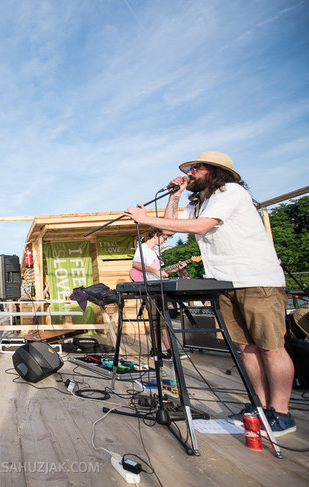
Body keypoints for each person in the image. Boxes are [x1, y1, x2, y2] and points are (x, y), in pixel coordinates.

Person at [123, 151, 295, 436]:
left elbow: (201, 227)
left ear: (215, 172)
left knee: (270, 347)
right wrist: (175, 196)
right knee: (245, 348)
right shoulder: (198, 202)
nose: (190, 172)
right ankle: (260, 406)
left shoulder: (230, 192)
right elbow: (170, 225)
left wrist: (143, 217)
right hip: (225, 282)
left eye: (196, 168)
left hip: (256, 279)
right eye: (190, 168)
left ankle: (282, 412)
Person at [131, 227, 187, 360]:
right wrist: (155, 272)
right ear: (156, 235)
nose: (165, 241)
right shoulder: (143, 248)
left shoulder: (154, 252)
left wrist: (175, 269)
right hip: (149, 287)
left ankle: (158, 350)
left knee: (159, 320)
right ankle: (167, 351)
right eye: (164, 238)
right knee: (158, 321)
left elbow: (159, 271)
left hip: (157, 286)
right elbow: (136, 264)